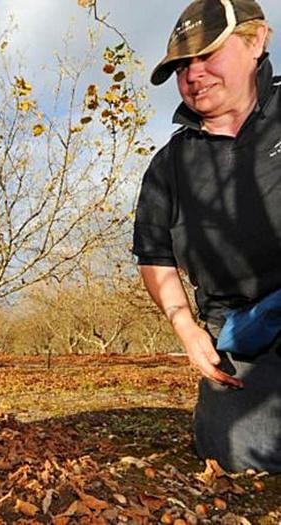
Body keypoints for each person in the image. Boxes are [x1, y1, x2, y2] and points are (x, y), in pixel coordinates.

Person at [133, 0, 281, 472]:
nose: (194, 74)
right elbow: (153, 254)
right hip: (243, 332)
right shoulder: (168, 166)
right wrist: (186, 327)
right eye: (182, 65)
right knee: (239, 448)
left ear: (255, 41)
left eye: (208, 54)